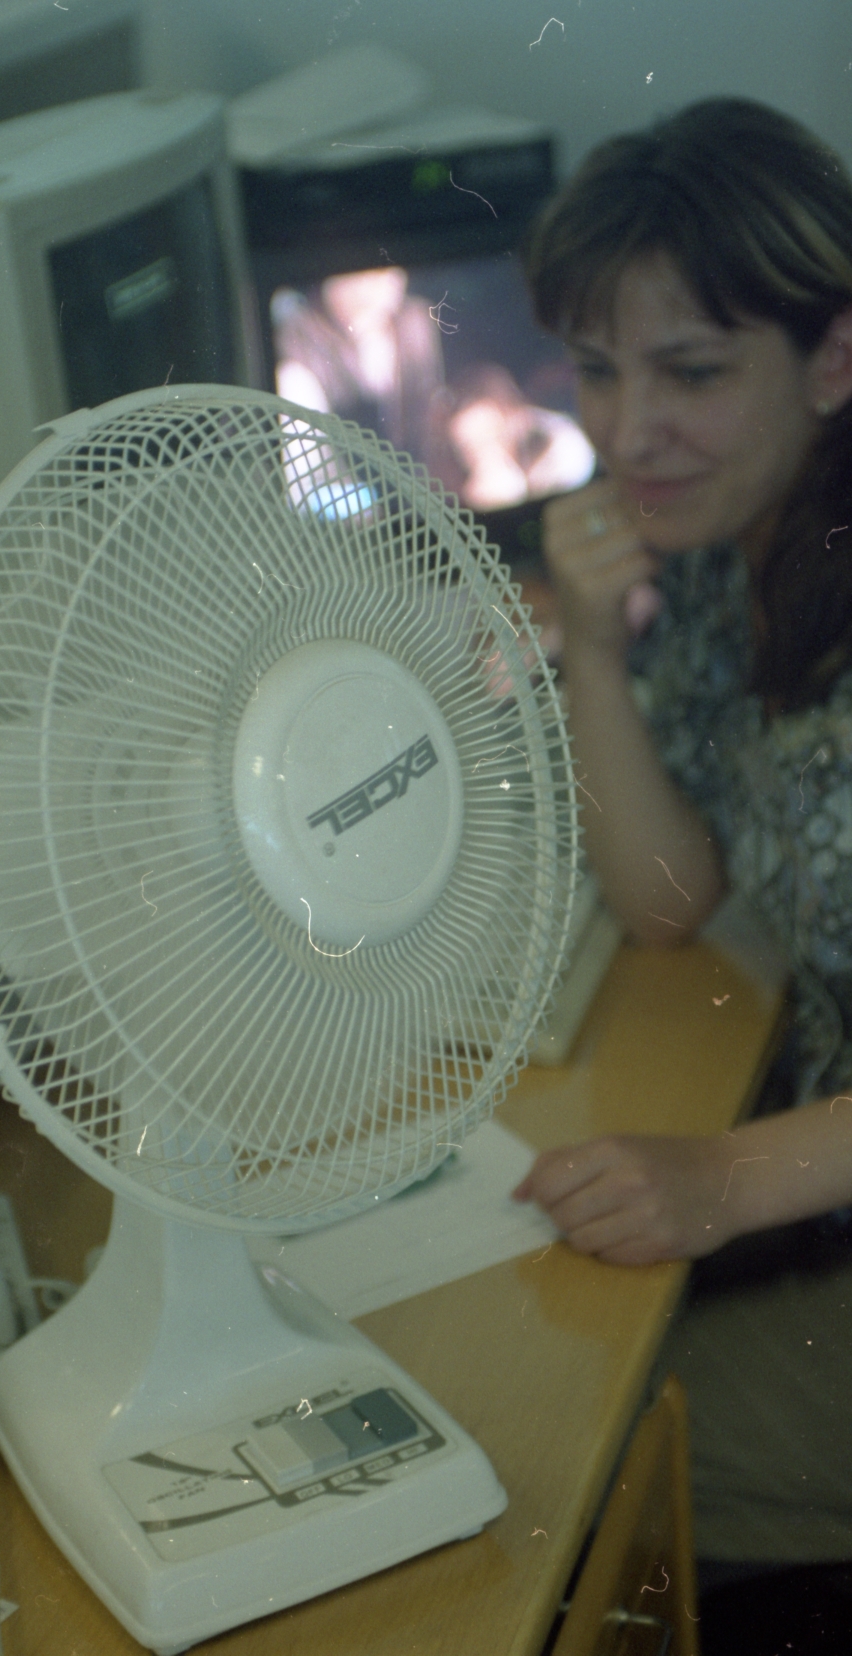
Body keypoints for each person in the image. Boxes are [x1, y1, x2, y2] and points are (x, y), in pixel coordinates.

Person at [511, 98, 852, 1570]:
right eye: (598, 369)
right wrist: (592, 647)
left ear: (835, 357)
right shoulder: (729, 542)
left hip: (806, 1179)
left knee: (568, 1449)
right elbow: (669, 896)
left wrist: (723, 1181)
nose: (624, 433)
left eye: (692, 372)